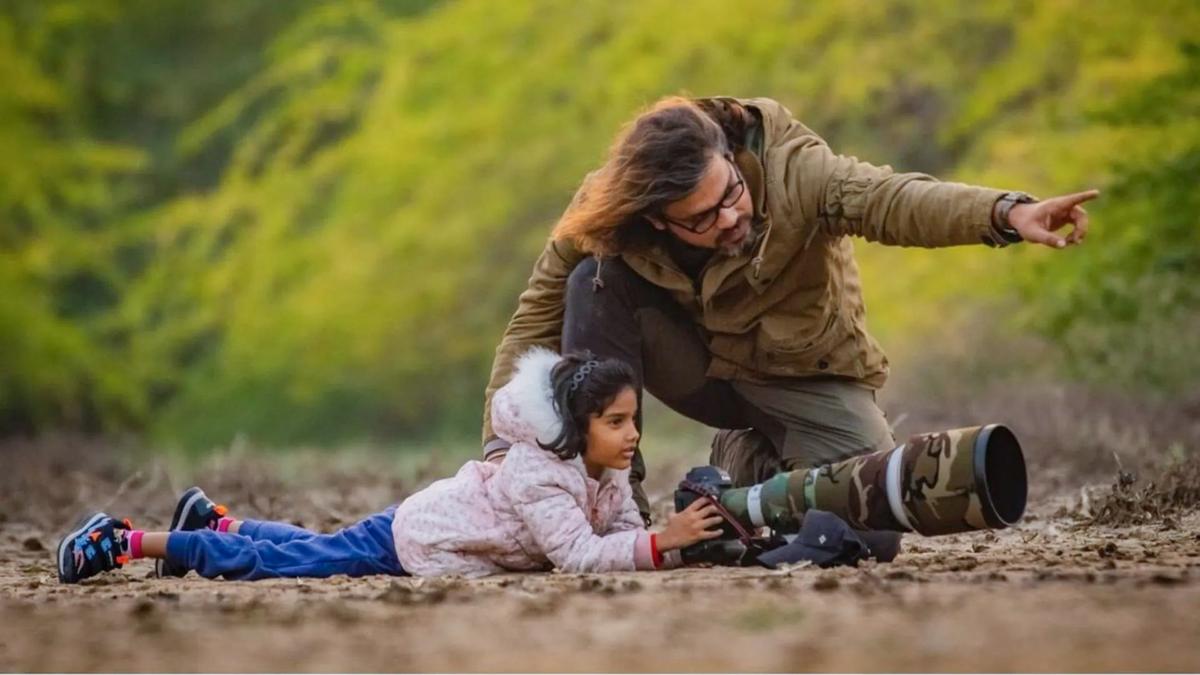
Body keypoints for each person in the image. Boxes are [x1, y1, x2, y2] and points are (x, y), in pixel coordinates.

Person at [481, 95, 1099, 517]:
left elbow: (891, 200)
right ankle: (610, 505)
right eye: (702, 218)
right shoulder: (607, 210)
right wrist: (501, 452)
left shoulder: (793, 167)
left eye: (731, 193)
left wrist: (1007, 213)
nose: (731, 218)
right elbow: (531, 323)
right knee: (592, 280)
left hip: (806, 373)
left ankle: (743, 466)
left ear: (728, 154)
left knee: (870, 518)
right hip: (702, 372)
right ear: (657, 219)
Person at [56, 350, 724, 583]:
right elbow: (579, 553)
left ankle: (214, 524)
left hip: (421, 533)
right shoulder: (540, 473)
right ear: (577, 429)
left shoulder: (602, 472)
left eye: (634, 419)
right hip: (419, 541)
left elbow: (623, 531)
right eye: (615, 421)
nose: (632, 434)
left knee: (315, 548)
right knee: (289, 566)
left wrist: (667, 539)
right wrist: (662, 543)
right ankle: (126, 540)